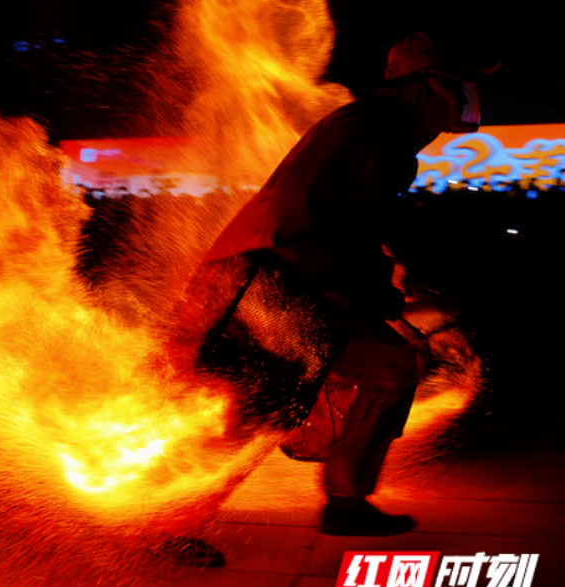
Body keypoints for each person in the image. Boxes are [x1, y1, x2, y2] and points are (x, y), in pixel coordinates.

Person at [179, 32, 493, 538]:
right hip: (271, 278)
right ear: (419, 84)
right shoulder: (369, 132)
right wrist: (363, 290)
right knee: (273, 401)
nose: (464, 100)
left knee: (369, 373)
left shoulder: (383, 134)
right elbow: (307, 221)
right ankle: (170, 520)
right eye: (458, 86)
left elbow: (346, 229)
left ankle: (341, 501)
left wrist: (373, 283)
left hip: (277, 275)